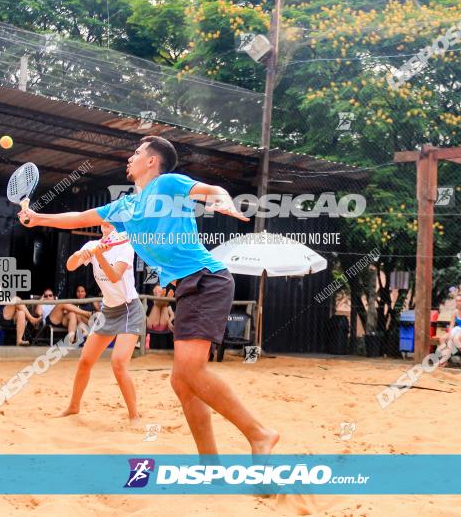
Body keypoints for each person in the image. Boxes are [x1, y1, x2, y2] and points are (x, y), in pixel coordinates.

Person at [18, 135, 278, 455]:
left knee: (191, 372)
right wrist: (38, 218)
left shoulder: (167, 184)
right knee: (182, 382)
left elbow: (209, 190)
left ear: (151, 161)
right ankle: (210, 462)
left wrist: (221, 199)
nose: (131, 157)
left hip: (208, 280)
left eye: (137, 153)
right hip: (187, 288)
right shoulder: (126, 206)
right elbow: (81, 218)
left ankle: (259, 434)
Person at [58, 221, 144, 422]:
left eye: (111, 226)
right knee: (85, 361)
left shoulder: (125, 247)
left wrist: (98, 255)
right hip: (108, 310)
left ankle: (134, 415)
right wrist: (81, 255)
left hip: (129, 309)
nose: (107, 230)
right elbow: (70, 266)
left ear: (119, 229)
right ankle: (73, 407)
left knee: (118, 364)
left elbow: (114, 277)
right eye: (104, 226)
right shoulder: (91, 245)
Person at [439, 293, 461, 368]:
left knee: (451, 339)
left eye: (460, 301)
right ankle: (445, 359)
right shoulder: (455, 312)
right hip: (456, 330)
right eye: (456, 301)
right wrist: (450, 333)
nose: (458, 302)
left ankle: (444, 361)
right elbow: (451, 325)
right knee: (442, 338)